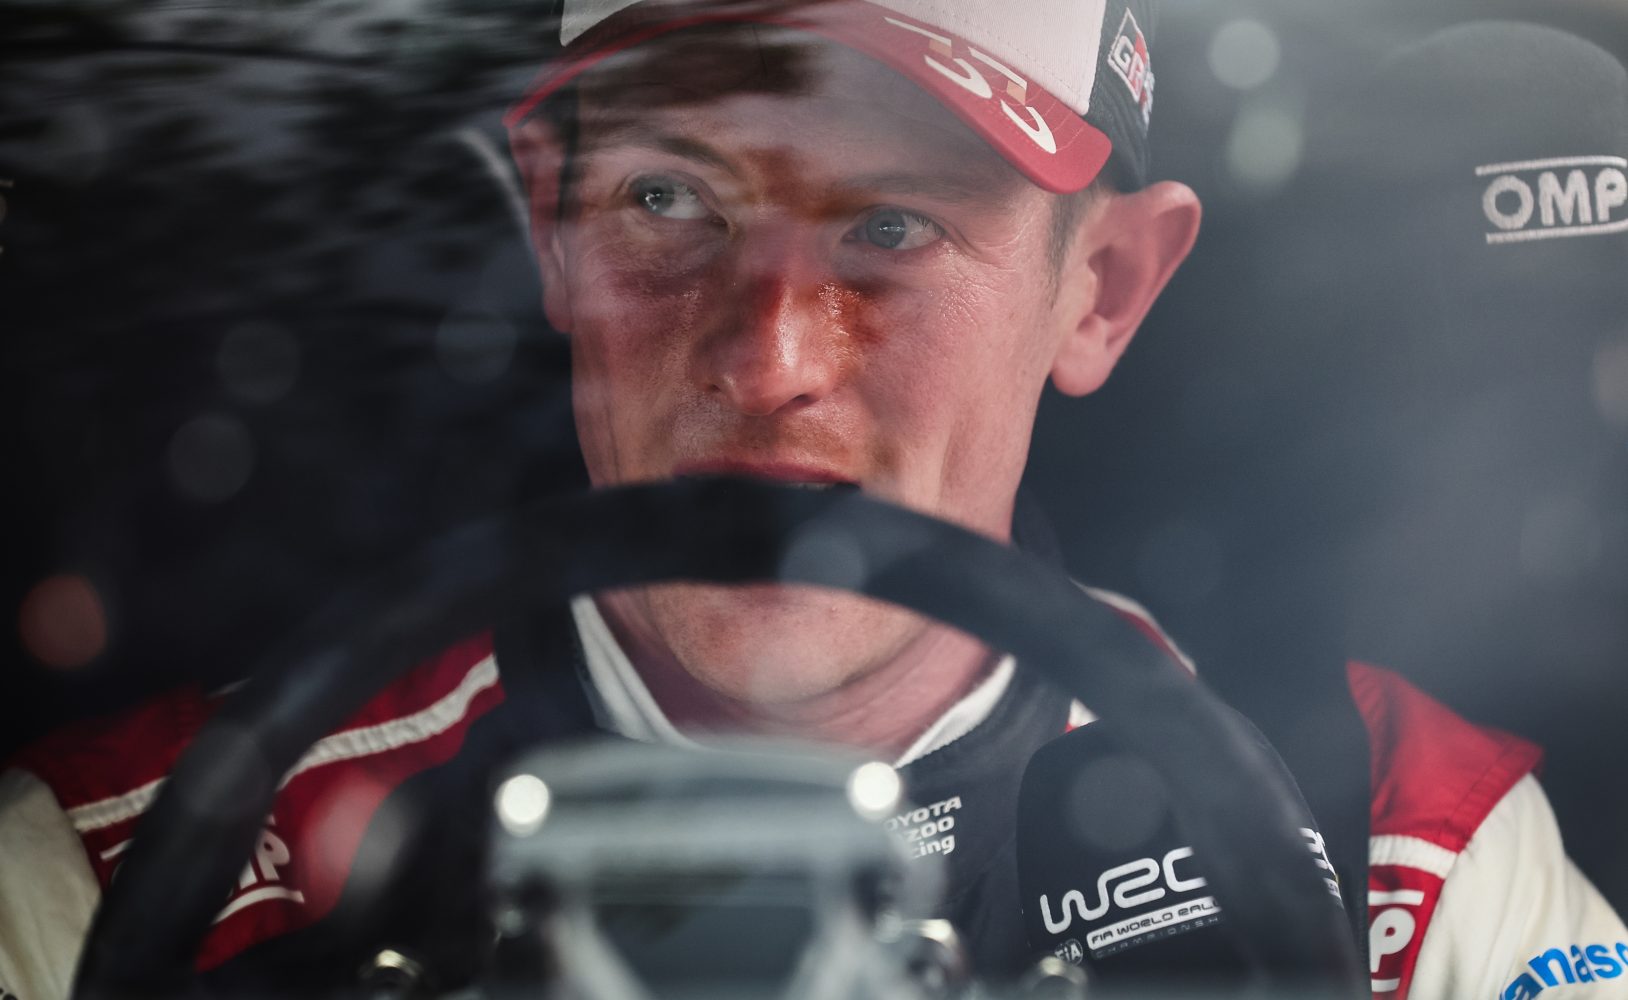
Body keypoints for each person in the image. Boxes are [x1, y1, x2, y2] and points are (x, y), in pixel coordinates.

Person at [0, 3, 1620, 999]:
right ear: (554, 228)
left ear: (1105, 289)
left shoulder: (1396, 846)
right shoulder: (129, 871)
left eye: (893, 227)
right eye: (669, 198)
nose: (767, 358)